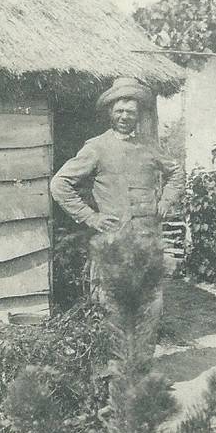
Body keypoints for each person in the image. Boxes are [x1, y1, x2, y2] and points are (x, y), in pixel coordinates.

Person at [50, 77, 185, 337]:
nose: (125, 116)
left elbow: (176, 172)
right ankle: (112, 371)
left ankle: (142, 369)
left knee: (151, 306)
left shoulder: (149, 146)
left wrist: (167, 200)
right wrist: (91, 217)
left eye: (131, 111)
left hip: (147, 241)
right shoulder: (97, 148)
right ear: (110, 112)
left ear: (139, 114)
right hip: (113, 242)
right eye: (119, 110)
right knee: (110, 308)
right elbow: (60, 184)